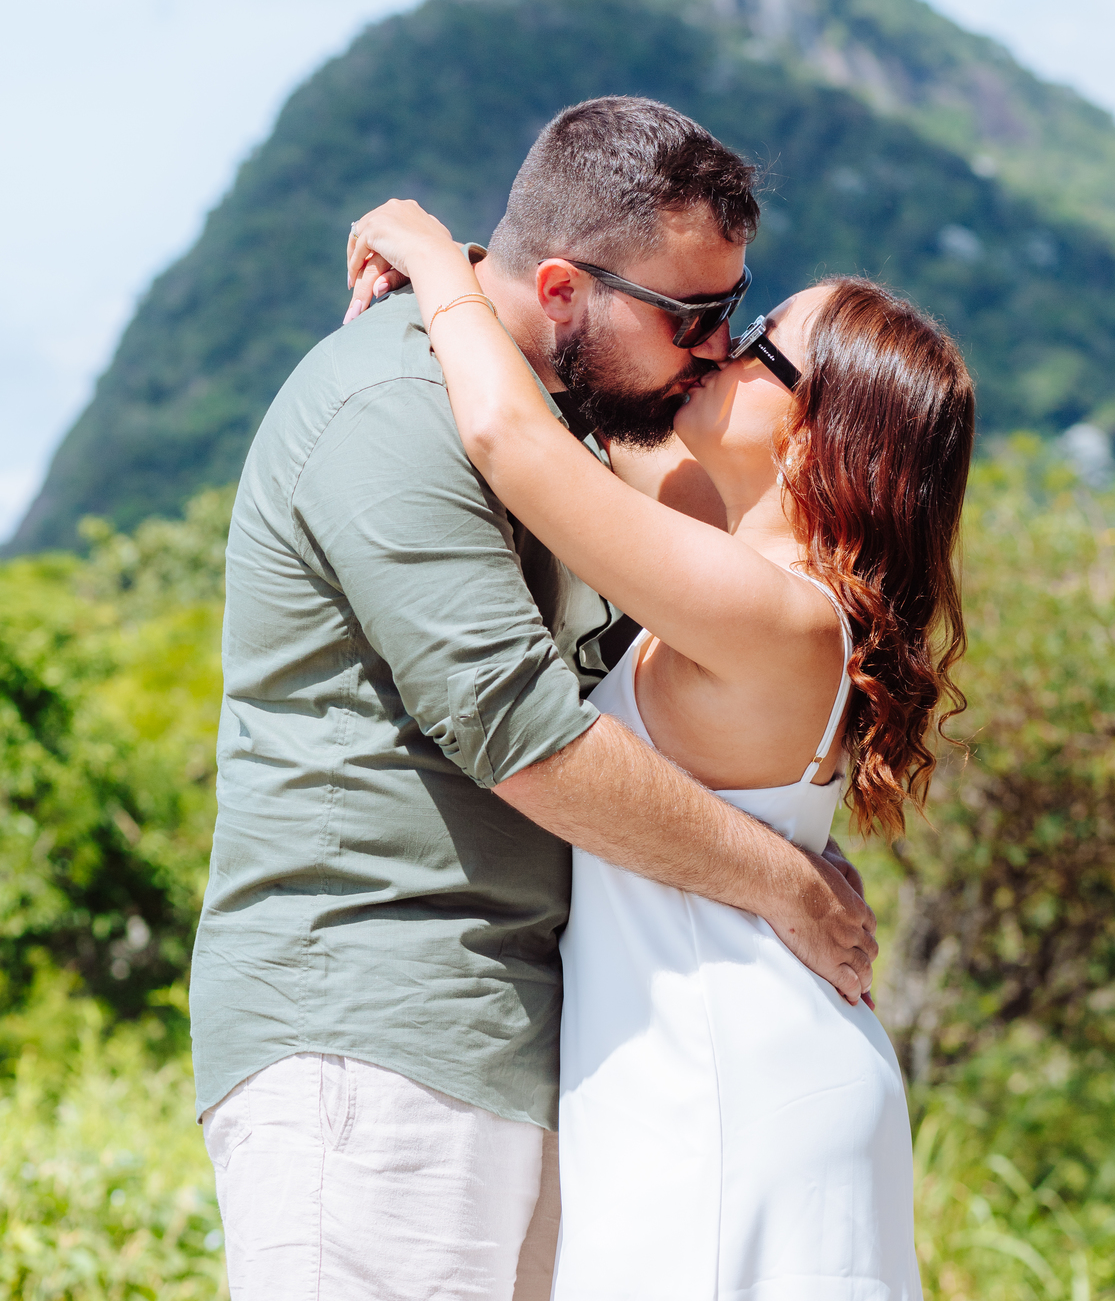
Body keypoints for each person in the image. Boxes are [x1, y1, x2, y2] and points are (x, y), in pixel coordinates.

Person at [191, 97, 879, 1301]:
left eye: (737, 313)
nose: (718, 347)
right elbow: (519, 731)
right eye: (695, 317)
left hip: (524, 1050)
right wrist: (784, 884)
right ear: (563, 291)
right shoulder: (390, 407)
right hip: (371, 1036)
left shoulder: (565, 423)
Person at [343, 192, 975, 1300]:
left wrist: (435, 256)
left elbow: (513, 442)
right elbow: (570, 409)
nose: (717, 352)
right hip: (703, 1069)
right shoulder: (726, 545)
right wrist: (515, 284)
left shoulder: (779, 614)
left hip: (727, 1087)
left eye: (759, 345)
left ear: (812, 430)